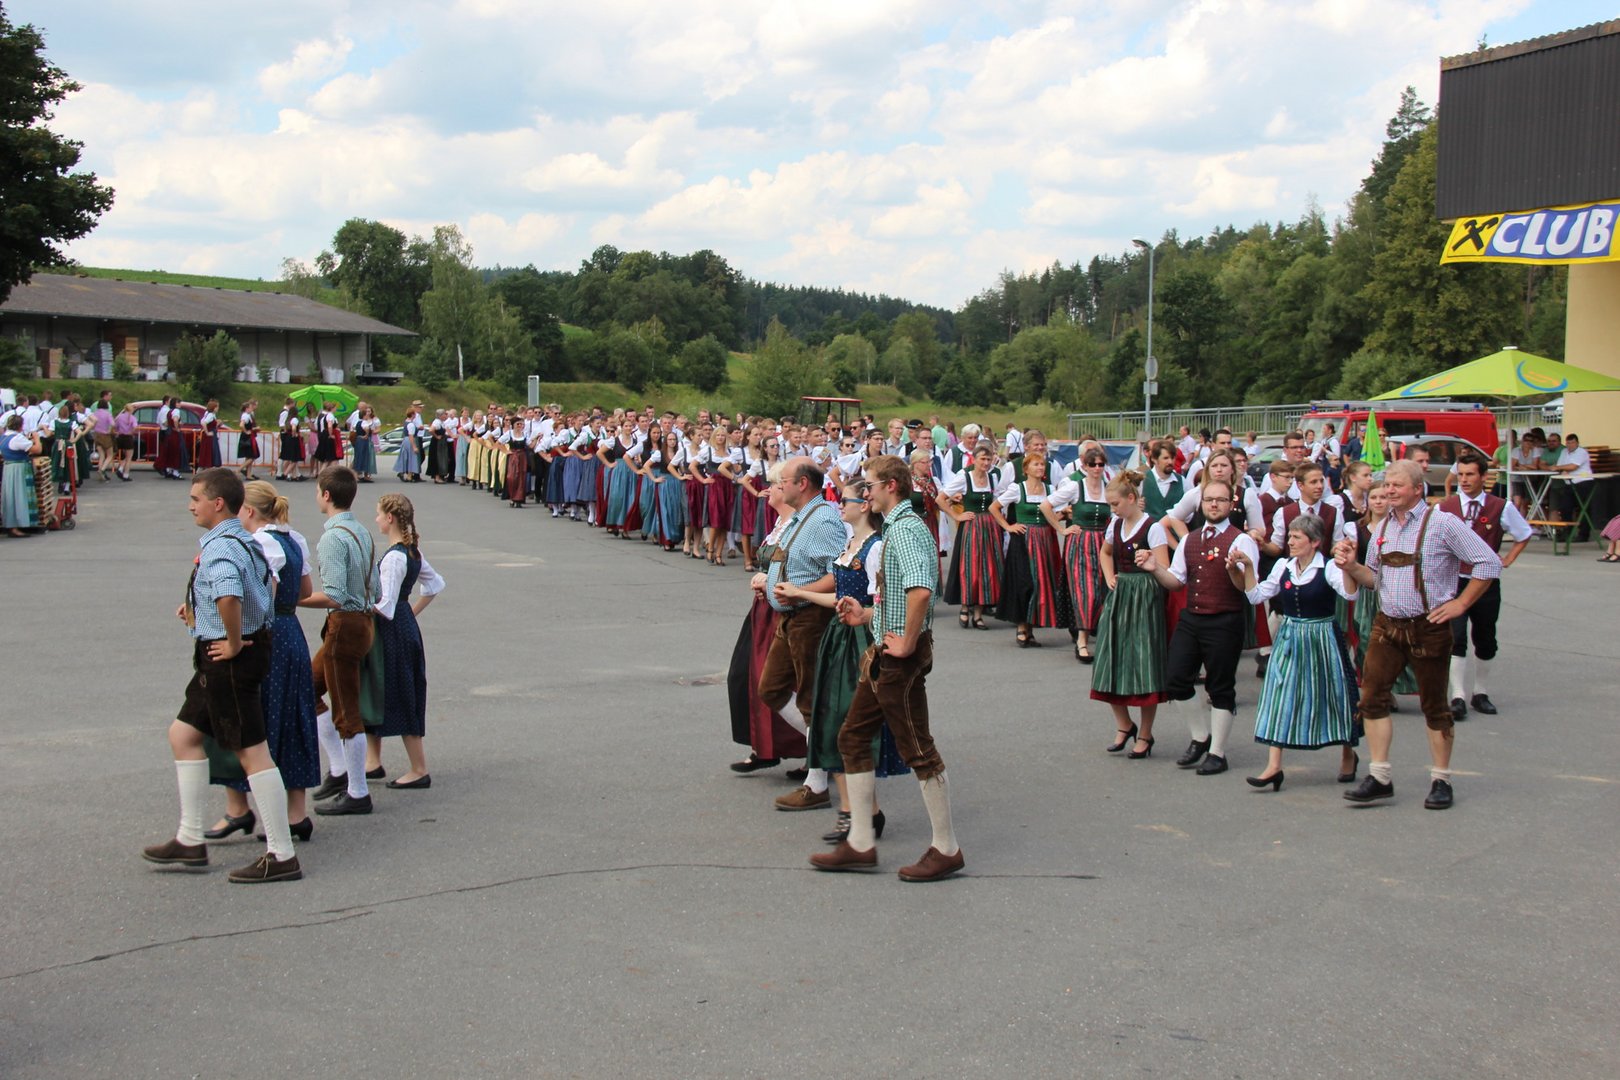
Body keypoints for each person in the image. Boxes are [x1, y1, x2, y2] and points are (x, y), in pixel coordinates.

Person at [140, 468, 302, 883]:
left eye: (195, 499)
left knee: (253, 752)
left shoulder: (222, 547)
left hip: (228, 658)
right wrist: (199, 607)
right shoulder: (244, 539)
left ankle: (281, 853)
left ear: (217, 503)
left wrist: (232, 641)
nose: (190, 506)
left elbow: (229, 594)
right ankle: (190, 838)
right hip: (228, 653)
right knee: (184, 735)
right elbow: (260, 590)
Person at [811, 454, 963, 882]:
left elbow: (920, 591)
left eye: (871, 485)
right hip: (886, 649)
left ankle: (946, 848)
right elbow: (899, 595)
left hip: (900, 656)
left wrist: (908, 641)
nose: (867, 492)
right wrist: (867, 615)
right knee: (853, 736)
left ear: (891, 486)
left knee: (919, 749)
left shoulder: (906, 528)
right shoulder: (898, 526)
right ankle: (860, 842)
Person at [1334, 460, 1504, 811]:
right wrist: (1351, 566)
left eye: (1397, 485)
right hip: (1387, 624)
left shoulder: (1442, 523)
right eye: (1387, 485)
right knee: (1372, 699)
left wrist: (1461, 603)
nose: (1389, 491)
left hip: (1428, 627)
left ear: (1417, 489)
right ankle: (1380, 777)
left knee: (1435, 706)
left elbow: (1489, 563)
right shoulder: (1384, 526)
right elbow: (1374, 579)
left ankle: (1441, 779)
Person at [775, 479, 910, 845]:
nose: (838, 506)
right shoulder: (851, 544)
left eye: (844, 500)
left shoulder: (876, 548)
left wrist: (866, 621)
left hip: (860, 641)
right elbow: (839, 595)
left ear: (863, 505)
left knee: (852, 726)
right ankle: (856, 811)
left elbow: (883, 602)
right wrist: (799, 592)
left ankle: (863, 813)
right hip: (837, 637)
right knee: (830, 720)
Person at [204, 481, 321, 845]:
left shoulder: (260, 543)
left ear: (249, 511)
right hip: (292, 634)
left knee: (248, 717)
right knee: (293, 716)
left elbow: (260, 596)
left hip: (265, 634)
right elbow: (303, 592)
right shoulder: (294, 538)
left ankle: (238, 807)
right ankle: (296, 813)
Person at [1135, 478, 1261, 777]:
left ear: (1231, 504)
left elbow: (1246, 589)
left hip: (1225, 619)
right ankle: (1200, 736)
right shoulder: (1190, 540)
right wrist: (1155, 568)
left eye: (1220, 500)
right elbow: (1176, 581)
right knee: (1176, 679)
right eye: (1209, 500)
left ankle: (1217, 753)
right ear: (1201, 504)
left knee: (1220, 687)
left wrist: (1235, 570)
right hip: (1192, 617)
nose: (1214, 504)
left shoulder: (1242, 541)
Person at [1230, 513, 1359, 790]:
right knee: (1279, 694)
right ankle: (1274, 766)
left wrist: (1348, 567)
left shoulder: (1329, 568)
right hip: (1290, 637)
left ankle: (1348, 753)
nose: (1290, 541)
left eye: (1297, 537)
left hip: (1322, 637)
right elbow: (1256, 595)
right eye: (1289, 536)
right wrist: (1249, 567)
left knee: (1334, 695)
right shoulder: (1283, 566)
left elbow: (1350, 595)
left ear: (1314, 542)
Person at [754, 457, 845, 810]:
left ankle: (818, 781)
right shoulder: (800, 517)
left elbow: (837, 573)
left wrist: (798, 591)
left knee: (810, 698)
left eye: (785, 480)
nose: (779, 486)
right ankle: (824, 750)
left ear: (802, 483)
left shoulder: (823, 519)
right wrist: (771, 583)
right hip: (789, 616)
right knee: (771, 688)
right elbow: (792, 562)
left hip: (810, 617)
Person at [299, 465, 379, 816]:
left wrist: (293, 599)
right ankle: (340, 769)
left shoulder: (332, 537)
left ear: (327, 495)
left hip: (345, 623)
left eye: (318, 490)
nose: (317, 496)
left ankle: (358, 791)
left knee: (346, 710)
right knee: (307, 687)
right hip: (363, 619)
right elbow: (375, 588)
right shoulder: (361, 531)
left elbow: (334, 594)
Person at [1439, 452, 1531, 720]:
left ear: (1483, 477)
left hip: (1486, 582)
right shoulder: (1445, 507)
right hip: (1454, 581)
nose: (1464, 480)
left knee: (1485, 636)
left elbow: (1523, 534)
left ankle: (1480, 692)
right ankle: (1457, 695)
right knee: (1455, 637)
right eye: (1460, 474)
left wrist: (1508, 559)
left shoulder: (1500, 506)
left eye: (1470, 474)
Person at [365, 494, 445, 788]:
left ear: (390, 518)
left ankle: (419, 768)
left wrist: (356, 605)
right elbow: (434, 584)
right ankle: (372, 761)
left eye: (378, 514)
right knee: (379, 688)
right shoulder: (412, 552)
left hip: (391, 632)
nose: (376, 519)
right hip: (403, 626)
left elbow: (385, 605)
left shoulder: (395, 557)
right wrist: (410, 612)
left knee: (400, 691)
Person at [1090, 471, 1169, 758]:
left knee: (1144, 663)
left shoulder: (1153, 527)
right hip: (1121, 594)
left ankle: (1145, 733)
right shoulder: (1115, 524)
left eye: (1115, 504)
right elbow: (1105, 552)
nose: (1112, 509)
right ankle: (1124, 724)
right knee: (1110, 657)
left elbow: (1164, 567)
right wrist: (1109, 576)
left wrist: (1149, 562)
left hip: (1145, 596)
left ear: (1132, 498)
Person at [993, 451, 1070, 647]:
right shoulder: (1017, 489)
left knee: (1040, 583)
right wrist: (1009, 526)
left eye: (1042, 464)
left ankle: (1031, 628)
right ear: (1026, 469)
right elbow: (994, 507)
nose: (1040, 467)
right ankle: (1021, 625)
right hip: (1023, 540)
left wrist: (1062, 514)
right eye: (1036, 464)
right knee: (1024, 582)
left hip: (1044, 540)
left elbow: (1052, 516)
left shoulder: (1050, 489)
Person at [1043, 447, 1111, 663]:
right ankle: (1082, 641)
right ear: (1085, 466)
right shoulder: (1075, 486)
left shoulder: (1109, 488)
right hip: (1080, 544)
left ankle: (1100, 636)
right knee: (1085, 592)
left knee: (1102, 591)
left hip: (1103, 544)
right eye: (1093, 464)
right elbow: (1046, 506)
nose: (1097, 468)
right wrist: (1061, 529)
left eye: (1101, 464)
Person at [939, 444, 1004, 630]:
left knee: (987, 568)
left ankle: (978, 613)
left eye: (988, 459)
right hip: (972, 527)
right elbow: (940, 499)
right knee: (970, 567)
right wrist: (957, 516)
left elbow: (998, 502)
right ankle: (965, 606)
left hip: (989, 527)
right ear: (974, 460)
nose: (986, 463)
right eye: (982, 459)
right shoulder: (964, 477)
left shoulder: (993, 478)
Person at [2, 415, 42, 536]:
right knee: (20, 496)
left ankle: (12, 524)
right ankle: (18, 524)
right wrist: (37, 438)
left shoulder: (3, 437)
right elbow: (37, 449)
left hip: (8, 468)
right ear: (20, 426)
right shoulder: (17, 438)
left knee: (10, 497)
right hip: (18, 469)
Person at [1553, 432, 1595, 542]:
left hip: (1583, 482)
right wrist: (1561, 468)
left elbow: (1573, 466)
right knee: (1565, 508)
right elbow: (1559, 465)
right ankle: (1568, 532)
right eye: (1568, 443)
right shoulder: (1564, 452)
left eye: (1572, 443)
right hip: (1569, 483)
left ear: (1577, 443)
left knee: (1583, 509)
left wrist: (1560, 468)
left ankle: (1583, 534)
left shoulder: (1582, 452)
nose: (1570, 445)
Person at [91, 396, 116, 482]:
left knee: (101, 454)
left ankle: (100, 469)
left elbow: (92, 423)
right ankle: (102, 469)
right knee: (110, 454)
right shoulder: (107, 413)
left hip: (97, 435)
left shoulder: (95, 413)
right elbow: (113, 424)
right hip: (105, 435)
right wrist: (109, 430)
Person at [395, 408, 423, 483]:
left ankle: (405, 474)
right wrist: (414, 447)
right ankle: (409, 476)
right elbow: (411, 436)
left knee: (407, 457)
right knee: (412, 457)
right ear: (412, 414)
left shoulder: (406, 422)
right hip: (410, 441)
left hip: (406, 440)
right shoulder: (411, 424)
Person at [113, 403, 138, 481]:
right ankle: (126, 475)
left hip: (120, 437)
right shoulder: (133, 418)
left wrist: (117, 432)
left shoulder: (119, 417)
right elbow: (135, 427)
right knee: (129, 457)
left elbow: (115, 426)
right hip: (128, 438)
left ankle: (120, 468)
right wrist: (131, 432)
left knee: (125, 456)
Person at [238, 400, 260, 479]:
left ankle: (248, 474)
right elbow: (241, 425)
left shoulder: (247, 415)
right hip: (248, 437)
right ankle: (239, 469)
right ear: (247, 408)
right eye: (250, 407)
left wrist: (253, 429)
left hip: (249, 436)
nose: (252, 409)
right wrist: (246, 431)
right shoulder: (246, 416)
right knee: (252, 456)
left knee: (249, 456)